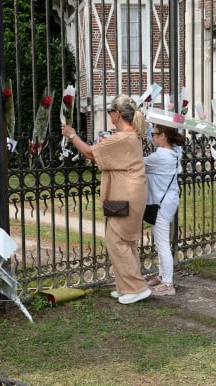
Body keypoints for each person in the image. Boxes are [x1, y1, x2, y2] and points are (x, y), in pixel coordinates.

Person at [61, 95, 151, 304]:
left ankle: (136, 288)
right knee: (125, 241)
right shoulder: (128, 136)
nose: (110, 115)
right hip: (127, 193)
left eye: (111, 111)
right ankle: (126, 287)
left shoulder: (123, 137)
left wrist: (72, 135)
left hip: (125, 194)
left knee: (116, 240)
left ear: (117, 114)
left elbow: (91, 154)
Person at [144, 124, 185, 296]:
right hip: (168, 201)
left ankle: (168, 284)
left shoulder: (160, 156)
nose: (151, 137)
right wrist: (148, 127)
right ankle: (162, 275)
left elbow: (135, 163)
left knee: (161, 243)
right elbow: (153, 136)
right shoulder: (174, 151)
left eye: (154, 135)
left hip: (161, 204)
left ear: (162, 136)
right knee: (161, 240)